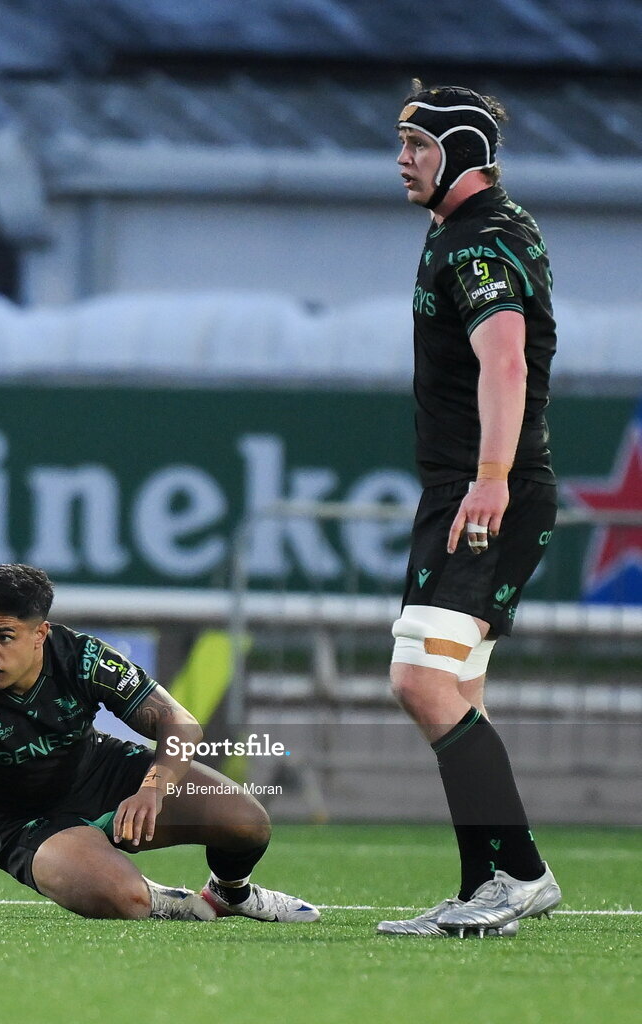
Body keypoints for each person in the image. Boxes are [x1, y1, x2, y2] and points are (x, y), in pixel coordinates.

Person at [0, 564, 319, 923]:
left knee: (247, 823)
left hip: (104, 773)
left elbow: (181, 724)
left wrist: (152, 787)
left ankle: (230, 895)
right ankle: (165, 900)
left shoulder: (83, 658)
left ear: (41, 633)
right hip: (23, 823)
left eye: (4, 636)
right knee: (124, 902)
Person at [376, 82, 562, 938]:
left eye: (418, 144)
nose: (403, 159)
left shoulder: (479, 241)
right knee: (460, 691)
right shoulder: (462, 229)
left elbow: (508, 365)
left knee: (419, 681)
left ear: (462, 151)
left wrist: (490, 477)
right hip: (482, 486)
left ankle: (520, 872)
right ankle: (484, 885)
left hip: (484, 491)